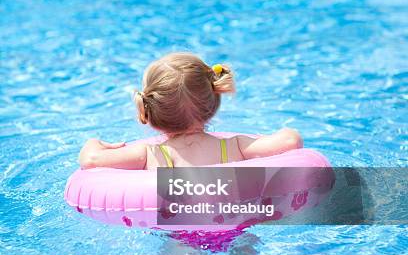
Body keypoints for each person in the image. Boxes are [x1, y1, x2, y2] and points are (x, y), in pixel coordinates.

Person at [79, 52, 302, 169]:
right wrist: (264, 138)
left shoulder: (149, 154)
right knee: (247, 250)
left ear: (150, 112)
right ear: (213, 104)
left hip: (179, 230)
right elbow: (291, 141)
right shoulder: (236, 146)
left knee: (179, 254)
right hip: (231, 224)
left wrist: (94, 142)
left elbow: (91, 160)